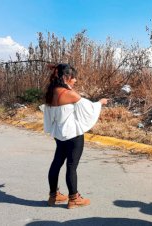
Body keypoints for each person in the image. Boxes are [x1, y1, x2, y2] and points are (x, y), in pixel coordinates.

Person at [43, 63, 108, 209]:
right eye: (73, 78)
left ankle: (53, 196)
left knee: (56, 163)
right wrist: (100, 103)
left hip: (59, 135)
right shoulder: (69, 94)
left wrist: (68, 85)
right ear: (66, 77)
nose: (75, 80)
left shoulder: (51, 92)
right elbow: (88, 107)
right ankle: (74, 198)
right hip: (73, 135)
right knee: (72, 166)